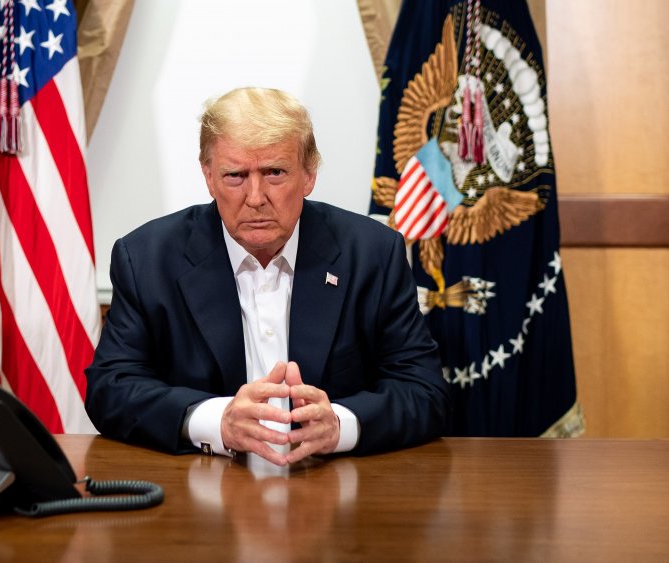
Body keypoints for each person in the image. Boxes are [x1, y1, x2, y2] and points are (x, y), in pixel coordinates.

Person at [86, 87, 449, 466]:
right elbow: (111, 389)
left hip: (333, 493)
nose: (256, 196)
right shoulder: (147, 258)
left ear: (309, 174)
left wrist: (339, 425)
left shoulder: (372, 254)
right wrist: (216, 421)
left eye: (275, 172)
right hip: (204, 495)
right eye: (235, 175)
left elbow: (424, 391)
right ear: (208, 176)